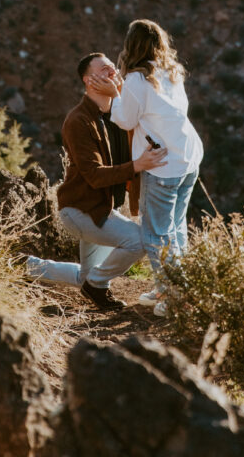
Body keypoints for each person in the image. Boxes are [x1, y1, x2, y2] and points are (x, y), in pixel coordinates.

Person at [26, 52, 168, 312]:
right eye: (104, 70)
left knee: (86, 277)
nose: (113, 72)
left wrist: (122, 93)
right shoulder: (78, 121)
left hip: (101, 209)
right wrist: (138, 165)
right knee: (139, 241)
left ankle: (27, 265)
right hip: (82, 210)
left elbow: (140, 118)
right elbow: (94, 174)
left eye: (114, 68)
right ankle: (98, 286)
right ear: (88, 80)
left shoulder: (115, 115)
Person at [89, 20, 203, 317]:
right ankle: (172, 287)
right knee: (176, 228)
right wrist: (122, 92)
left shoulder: (139, 80)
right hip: (188, 157)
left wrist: (114, 94)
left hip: (163, 165)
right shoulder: (170, 71)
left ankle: (176, 297)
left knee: (156, 234)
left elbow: (126, 120)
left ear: (132, 46)